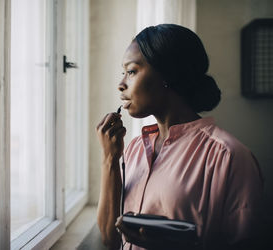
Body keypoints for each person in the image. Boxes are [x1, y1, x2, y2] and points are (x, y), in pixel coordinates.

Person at [96, 24, 264, 250]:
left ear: (167, 74)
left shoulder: (229, 157)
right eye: (122, 73)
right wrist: (110, 160)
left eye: (132, 71)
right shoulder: (133, 150)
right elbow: (110, 239)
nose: (121, 84)